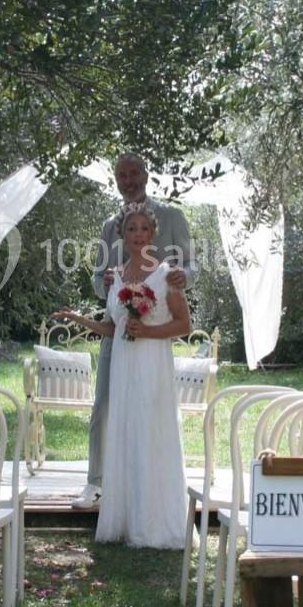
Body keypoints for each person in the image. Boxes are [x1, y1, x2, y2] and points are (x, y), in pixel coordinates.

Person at [53, 202, 191, 548]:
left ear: (153, 233)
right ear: (122, 235)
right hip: (123, 366)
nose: (138, 235)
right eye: (132, 229)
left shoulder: (166, 274)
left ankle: (154, 523)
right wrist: (77, 318)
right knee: (126, 431)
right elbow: (112, 327)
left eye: (144, 228)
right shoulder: (115, 276)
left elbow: (184, 325)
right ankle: (127, 519)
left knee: (151, 433)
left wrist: (147, 333)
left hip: (152, 363)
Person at [72, 153, 196, 509]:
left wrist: (184, 276)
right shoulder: (109, 225)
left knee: (152, 408)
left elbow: (191, 263)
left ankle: (149, 486)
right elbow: (97, 278)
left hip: (155, 333)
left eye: (133, 173)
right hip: (120, 331)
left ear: (145, 175)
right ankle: (96, 483)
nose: (128, 180)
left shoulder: (171, 217)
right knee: (105, 406)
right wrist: (107, 283)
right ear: (116, 180)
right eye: (121, 175)